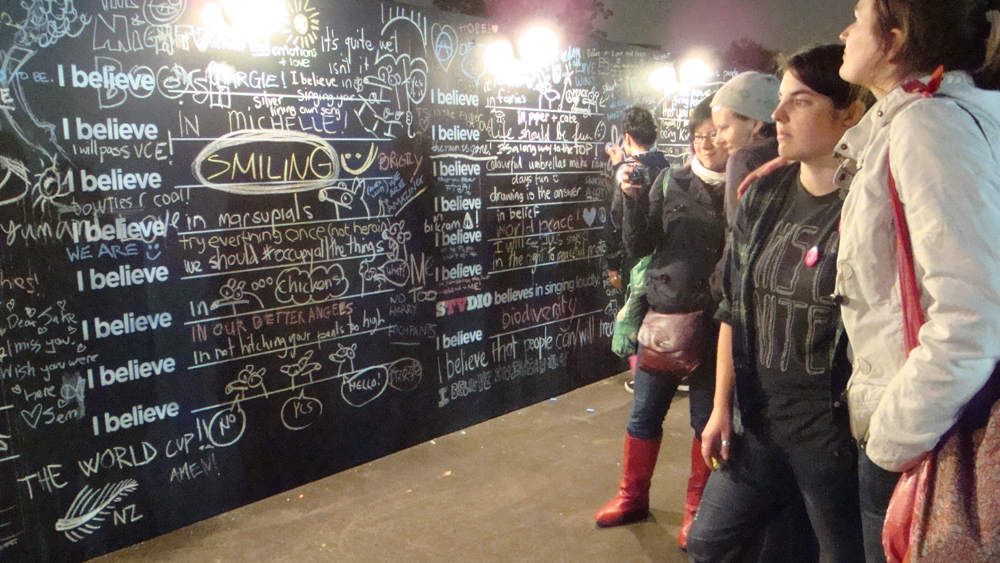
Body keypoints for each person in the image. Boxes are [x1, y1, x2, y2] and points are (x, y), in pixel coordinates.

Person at [687, 44, 871, 563]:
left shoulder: (870, 202)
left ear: (849, 114)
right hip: (759, 423)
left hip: (832, 437)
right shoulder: (764, 194)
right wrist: (721, 407)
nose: (778, 114)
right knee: (707, 545)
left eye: (801, 101)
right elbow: (734, 308)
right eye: (781, 98)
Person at [835, 1, 1000, 561]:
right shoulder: (950, 116)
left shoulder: (930, 125)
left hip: (930, 438)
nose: (844, 32)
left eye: (858, 16)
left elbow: (971, 315)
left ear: (895, 39)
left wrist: (889, 441)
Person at [595, 94, 728, 547]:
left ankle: (697, 512)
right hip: (667, 316)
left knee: (705, 422)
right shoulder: (671, 180)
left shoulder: (747, 184)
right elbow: (639, 245)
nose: (705, 143)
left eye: (714, 134)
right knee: (644, 414)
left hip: (719, 324)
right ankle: (632, 497)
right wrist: (631, 199)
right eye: (698, 135)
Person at [604, 107, 671, 392]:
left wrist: (611, 264)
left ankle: (641, 378)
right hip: (664, 256)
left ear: (627, 137)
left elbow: (616, 220)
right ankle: (662, 372)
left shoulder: (628, 172)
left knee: (632, 314)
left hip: (634, 257)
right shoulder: (668, 167)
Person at [711, 71, 781, 228]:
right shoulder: (800, 156)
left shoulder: (743, 159)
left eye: (724, 128)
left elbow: (738, 232)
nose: (717, 140)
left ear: (754, 124)